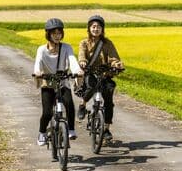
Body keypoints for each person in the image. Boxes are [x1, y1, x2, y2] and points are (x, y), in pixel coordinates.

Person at [33, 18, 83, 146]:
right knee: (47, 112)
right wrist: (38, 72)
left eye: (59, 33)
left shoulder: (66, 47)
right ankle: (42, 133)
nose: (57, 36)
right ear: (48, 34)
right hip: (47, 82)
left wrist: (77, 70)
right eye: (54, 33)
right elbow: (38, 62)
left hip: (62, 81)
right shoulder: (42, 49)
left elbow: (72, 60)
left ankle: (71, 129)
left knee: (70, 105)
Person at [77, 15, 124, 141]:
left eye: (98, 27)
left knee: (108, 100)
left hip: (105, 74)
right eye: (93, 26)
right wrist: (82, 62)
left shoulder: (107, 43)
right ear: (89, 28)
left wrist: (116, 65)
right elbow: (81, 55)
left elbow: (114, 58)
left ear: (102, 29)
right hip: (91, 72)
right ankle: (82, 104)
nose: (96, 29)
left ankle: (106, 128)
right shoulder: (84, 42)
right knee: (90, 87)